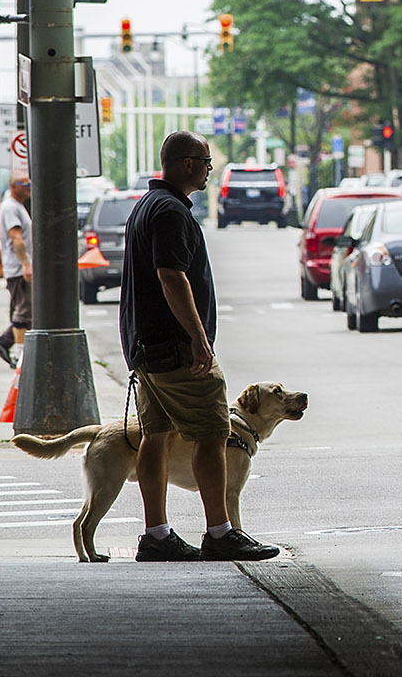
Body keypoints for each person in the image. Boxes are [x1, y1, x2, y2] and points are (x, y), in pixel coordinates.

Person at [119, 130, 279, 563]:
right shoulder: (170, 211)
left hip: (145, 346)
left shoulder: (146, 206)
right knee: (214, 432)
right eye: (206, 162)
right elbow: (171, 277)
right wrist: (199, 339)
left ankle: (156, 535)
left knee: (157, 435)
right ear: (188, 164)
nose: (209, 170)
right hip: (175, 349)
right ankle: (221, 532)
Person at [0, 175, 32, 368]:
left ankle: (6, 342)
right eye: (26, 185)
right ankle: (19, 354)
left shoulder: (17, 206)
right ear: (14, 187)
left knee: (27, 310)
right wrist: (26, 264)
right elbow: (16, 237)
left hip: (19, 268)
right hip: (18, 269)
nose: (30, 188)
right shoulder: (11, 208)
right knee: (25, 311)